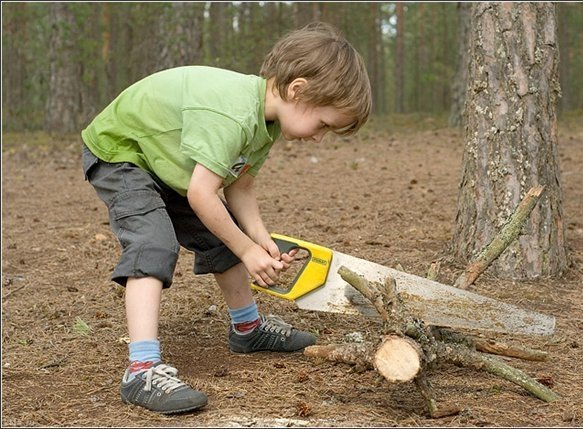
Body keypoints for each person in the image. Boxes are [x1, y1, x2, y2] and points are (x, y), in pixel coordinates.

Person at [80, 22, 372, 414]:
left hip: (168, 161)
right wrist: (246, 249)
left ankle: (247, 329)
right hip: (122, 154)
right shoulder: (233, 113)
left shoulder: (265, 125)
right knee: (153, 242)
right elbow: (202, 193)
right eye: (323, 124)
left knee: (222, 233)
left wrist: (259, 240)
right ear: (297, 89)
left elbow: (240, 187)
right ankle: (142, 369)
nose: (320, 137)